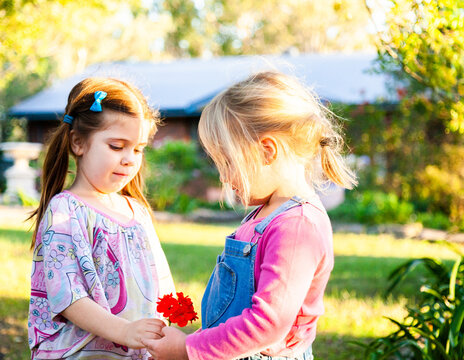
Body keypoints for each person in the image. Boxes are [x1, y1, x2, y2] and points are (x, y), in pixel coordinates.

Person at [143, 71, 357, 360]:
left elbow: (269, 324)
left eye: (227, 162)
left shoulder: (297, 225)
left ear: (267, 151)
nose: (223, 176)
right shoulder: (263, 215)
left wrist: (187, 349)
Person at [27, 77, 174, 359]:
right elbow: (67, 297)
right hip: (80, 353)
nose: (130, 159)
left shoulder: (137, 213)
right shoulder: (65, 211)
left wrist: (164, 323)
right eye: (117, 147)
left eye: (138, 148)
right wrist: (125, 332)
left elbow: (159, 282)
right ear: (78, 143)